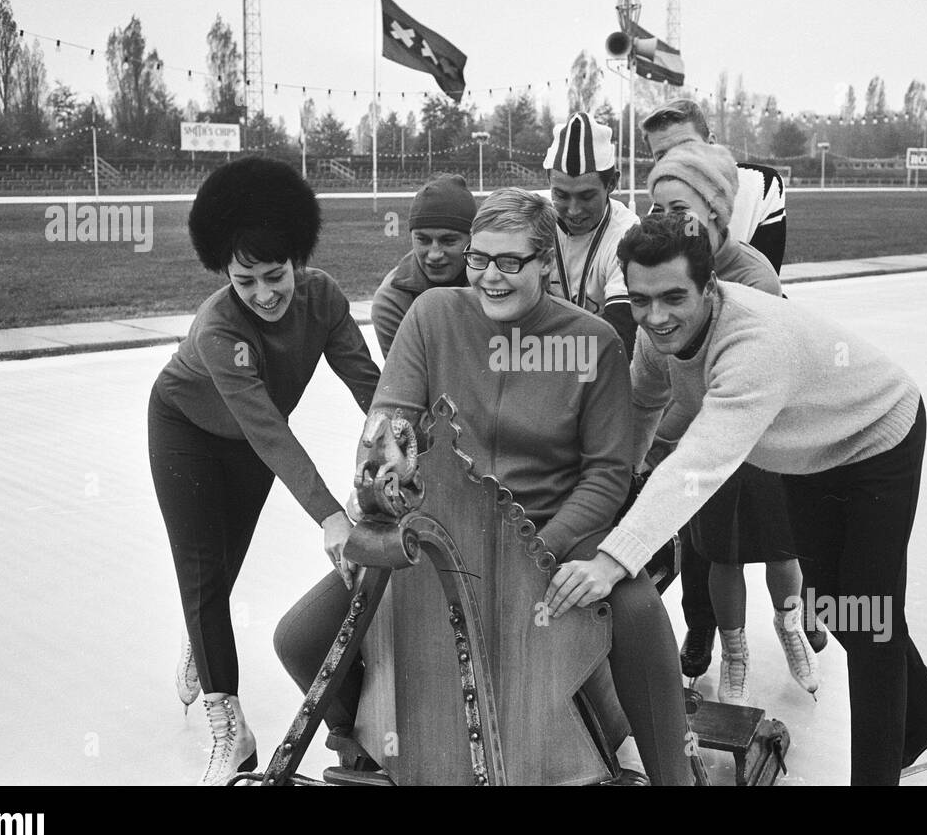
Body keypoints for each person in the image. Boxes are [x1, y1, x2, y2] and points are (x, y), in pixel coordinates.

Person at [274, 188, 695, 786]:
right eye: (478, 259)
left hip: (548, 534)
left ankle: (670, 773)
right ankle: (362, 733)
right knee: (299, 638)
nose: (489, 277)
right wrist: (375, 498)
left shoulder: (593, 341)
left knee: (634, 608)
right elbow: (388, 423)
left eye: (509, 262)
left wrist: (538, 552)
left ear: (547, 260)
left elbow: (607, 475)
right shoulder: (434, 315)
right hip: (438, 531)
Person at [584, 214, 927, 785]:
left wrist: (617, 554)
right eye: (640, 300)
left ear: (709, 288)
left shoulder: (753, 344)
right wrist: (623, 484)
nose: (655, 316)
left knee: (873, 623)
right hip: (807, 457)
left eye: (672, 297)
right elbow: (643, 409)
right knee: (837, 604)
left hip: (878, 435)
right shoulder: (655, 334)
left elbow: (699, 463)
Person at [148, 157, 380, 785]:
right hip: (185, 430)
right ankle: (232, 732)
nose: (263, 294)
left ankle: (202, 633)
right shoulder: (219, 327)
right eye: (244, 280)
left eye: (274, 276)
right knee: (200, 573)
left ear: (298, 262)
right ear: (225, 273)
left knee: (220, 576)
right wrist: (332, 516)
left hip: (248, 442)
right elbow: (270, 431)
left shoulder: (325, 299)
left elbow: (370, 388)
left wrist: (403, 437)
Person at [642, 144, 817, 706]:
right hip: (700, 438)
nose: (667, 221)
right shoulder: (661, 269)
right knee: (721, 551)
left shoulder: (750, 271)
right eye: (657, 208)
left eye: (680, 208)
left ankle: (791, 629)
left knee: (781, 546)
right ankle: (735, 655)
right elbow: (656, 367)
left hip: (759, 434)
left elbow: (748, 366)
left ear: (716, 213)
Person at [642, 97, 788, 272]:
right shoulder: (661, 208)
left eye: (687, 147)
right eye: (662, 156)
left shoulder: (760, 183)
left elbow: (766, 274)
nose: (677, 160)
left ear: (711, 143)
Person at [543, 112, 640, 354]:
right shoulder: (531, 219)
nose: (574, 211)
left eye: (587, 196)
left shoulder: (628, 232)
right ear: (549, 181)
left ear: (612, 184)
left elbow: (621, 332)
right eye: (561, 195)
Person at [370, 173, 477, 357]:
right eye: (423, 240)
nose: (434, 254)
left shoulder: (497, 279)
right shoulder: (392, 301)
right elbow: (408, 380)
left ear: (473, 239)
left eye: (448, 240)